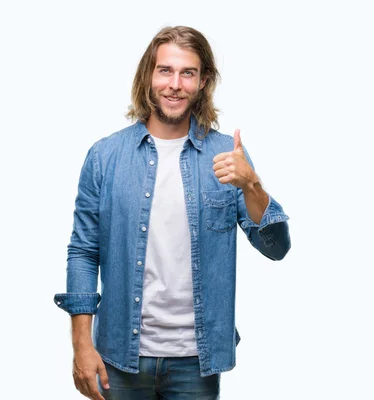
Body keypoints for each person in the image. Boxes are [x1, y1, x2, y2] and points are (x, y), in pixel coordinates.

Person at [54, 25, 291, 400]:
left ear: (203, 81)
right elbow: (83, 252)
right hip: (119, 357)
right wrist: (81, 345)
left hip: (195, 360)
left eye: (188, 73)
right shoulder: (105, 157)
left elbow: (276, 247)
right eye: (165, 70)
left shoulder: (228, 157)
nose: (175, 84)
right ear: (149, 75)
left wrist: (251, 185)